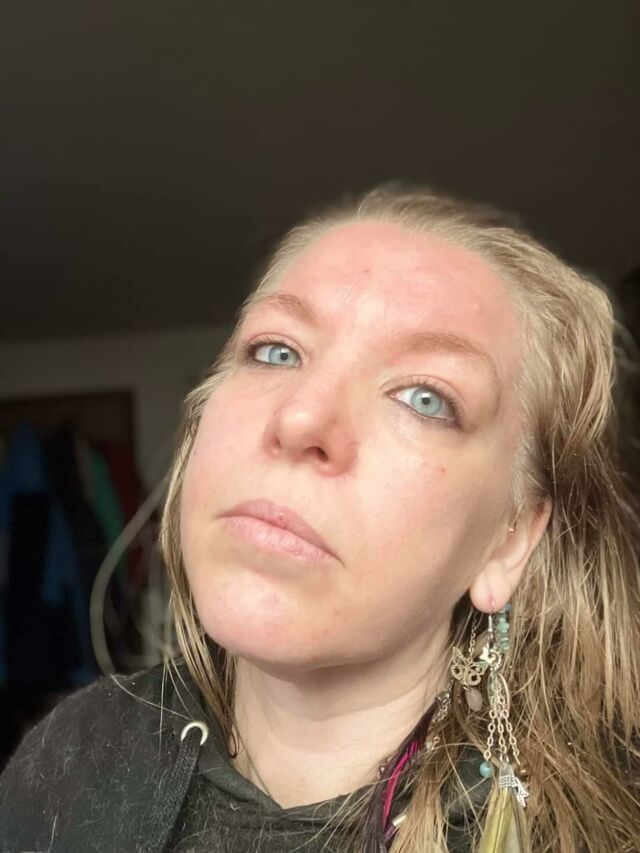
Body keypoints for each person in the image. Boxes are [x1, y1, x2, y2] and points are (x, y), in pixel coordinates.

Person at [1, 184, 639, 852]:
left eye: (425, 397)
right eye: (276, 351)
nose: (301, 416)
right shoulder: (68, 760)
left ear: (508, 543)